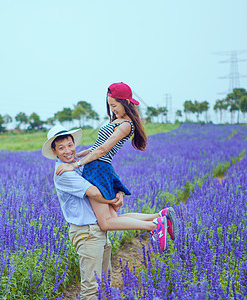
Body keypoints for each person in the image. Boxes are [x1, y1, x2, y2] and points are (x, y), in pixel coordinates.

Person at [42, 125, 175, 299]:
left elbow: (99, 175)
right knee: (91, 288)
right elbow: (95, 192)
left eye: (70, 145)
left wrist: (118, 193)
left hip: (99, 231)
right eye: (61, 148)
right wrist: (112, 199)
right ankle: (155, 223)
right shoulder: (64, 173)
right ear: (54, 151)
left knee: (104, 283)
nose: (68, 150)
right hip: (86, 234)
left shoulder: (75, 165)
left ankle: (159, 217)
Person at [55, 82, 178, 249]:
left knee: (106, 223)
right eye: (110, 105)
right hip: (98, 166)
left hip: (98, 168)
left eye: (114, 105)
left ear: (125, 103)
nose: (112, 109)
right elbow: (98, 146)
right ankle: (160, 216)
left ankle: (155, 226)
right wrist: (79, 153)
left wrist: (75, 165)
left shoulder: (126, 125)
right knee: (113, 217)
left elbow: (104, 149)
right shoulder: (118, 120)